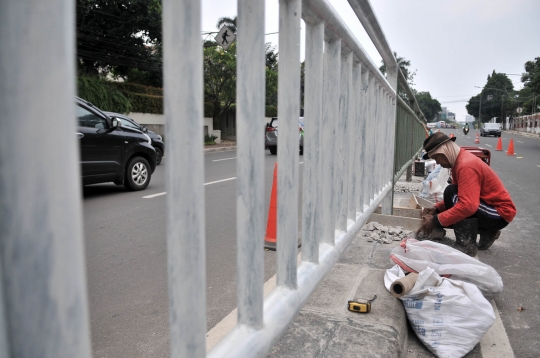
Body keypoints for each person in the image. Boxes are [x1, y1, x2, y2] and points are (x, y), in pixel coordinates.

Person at [417, 132, 516, 256]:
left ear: (444, 152)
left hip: (499, 213)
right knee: (451, 196)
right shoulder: (458, 162)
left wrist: (436, 220)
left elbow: (468, 206)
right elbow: (461, 194)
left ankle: (466, 245)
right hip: (489, 209)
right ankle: (487, 231)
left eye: (437, 158)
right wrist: (437, 208)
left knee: (453, 197)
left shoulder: (466, 165)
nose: (438, 163)